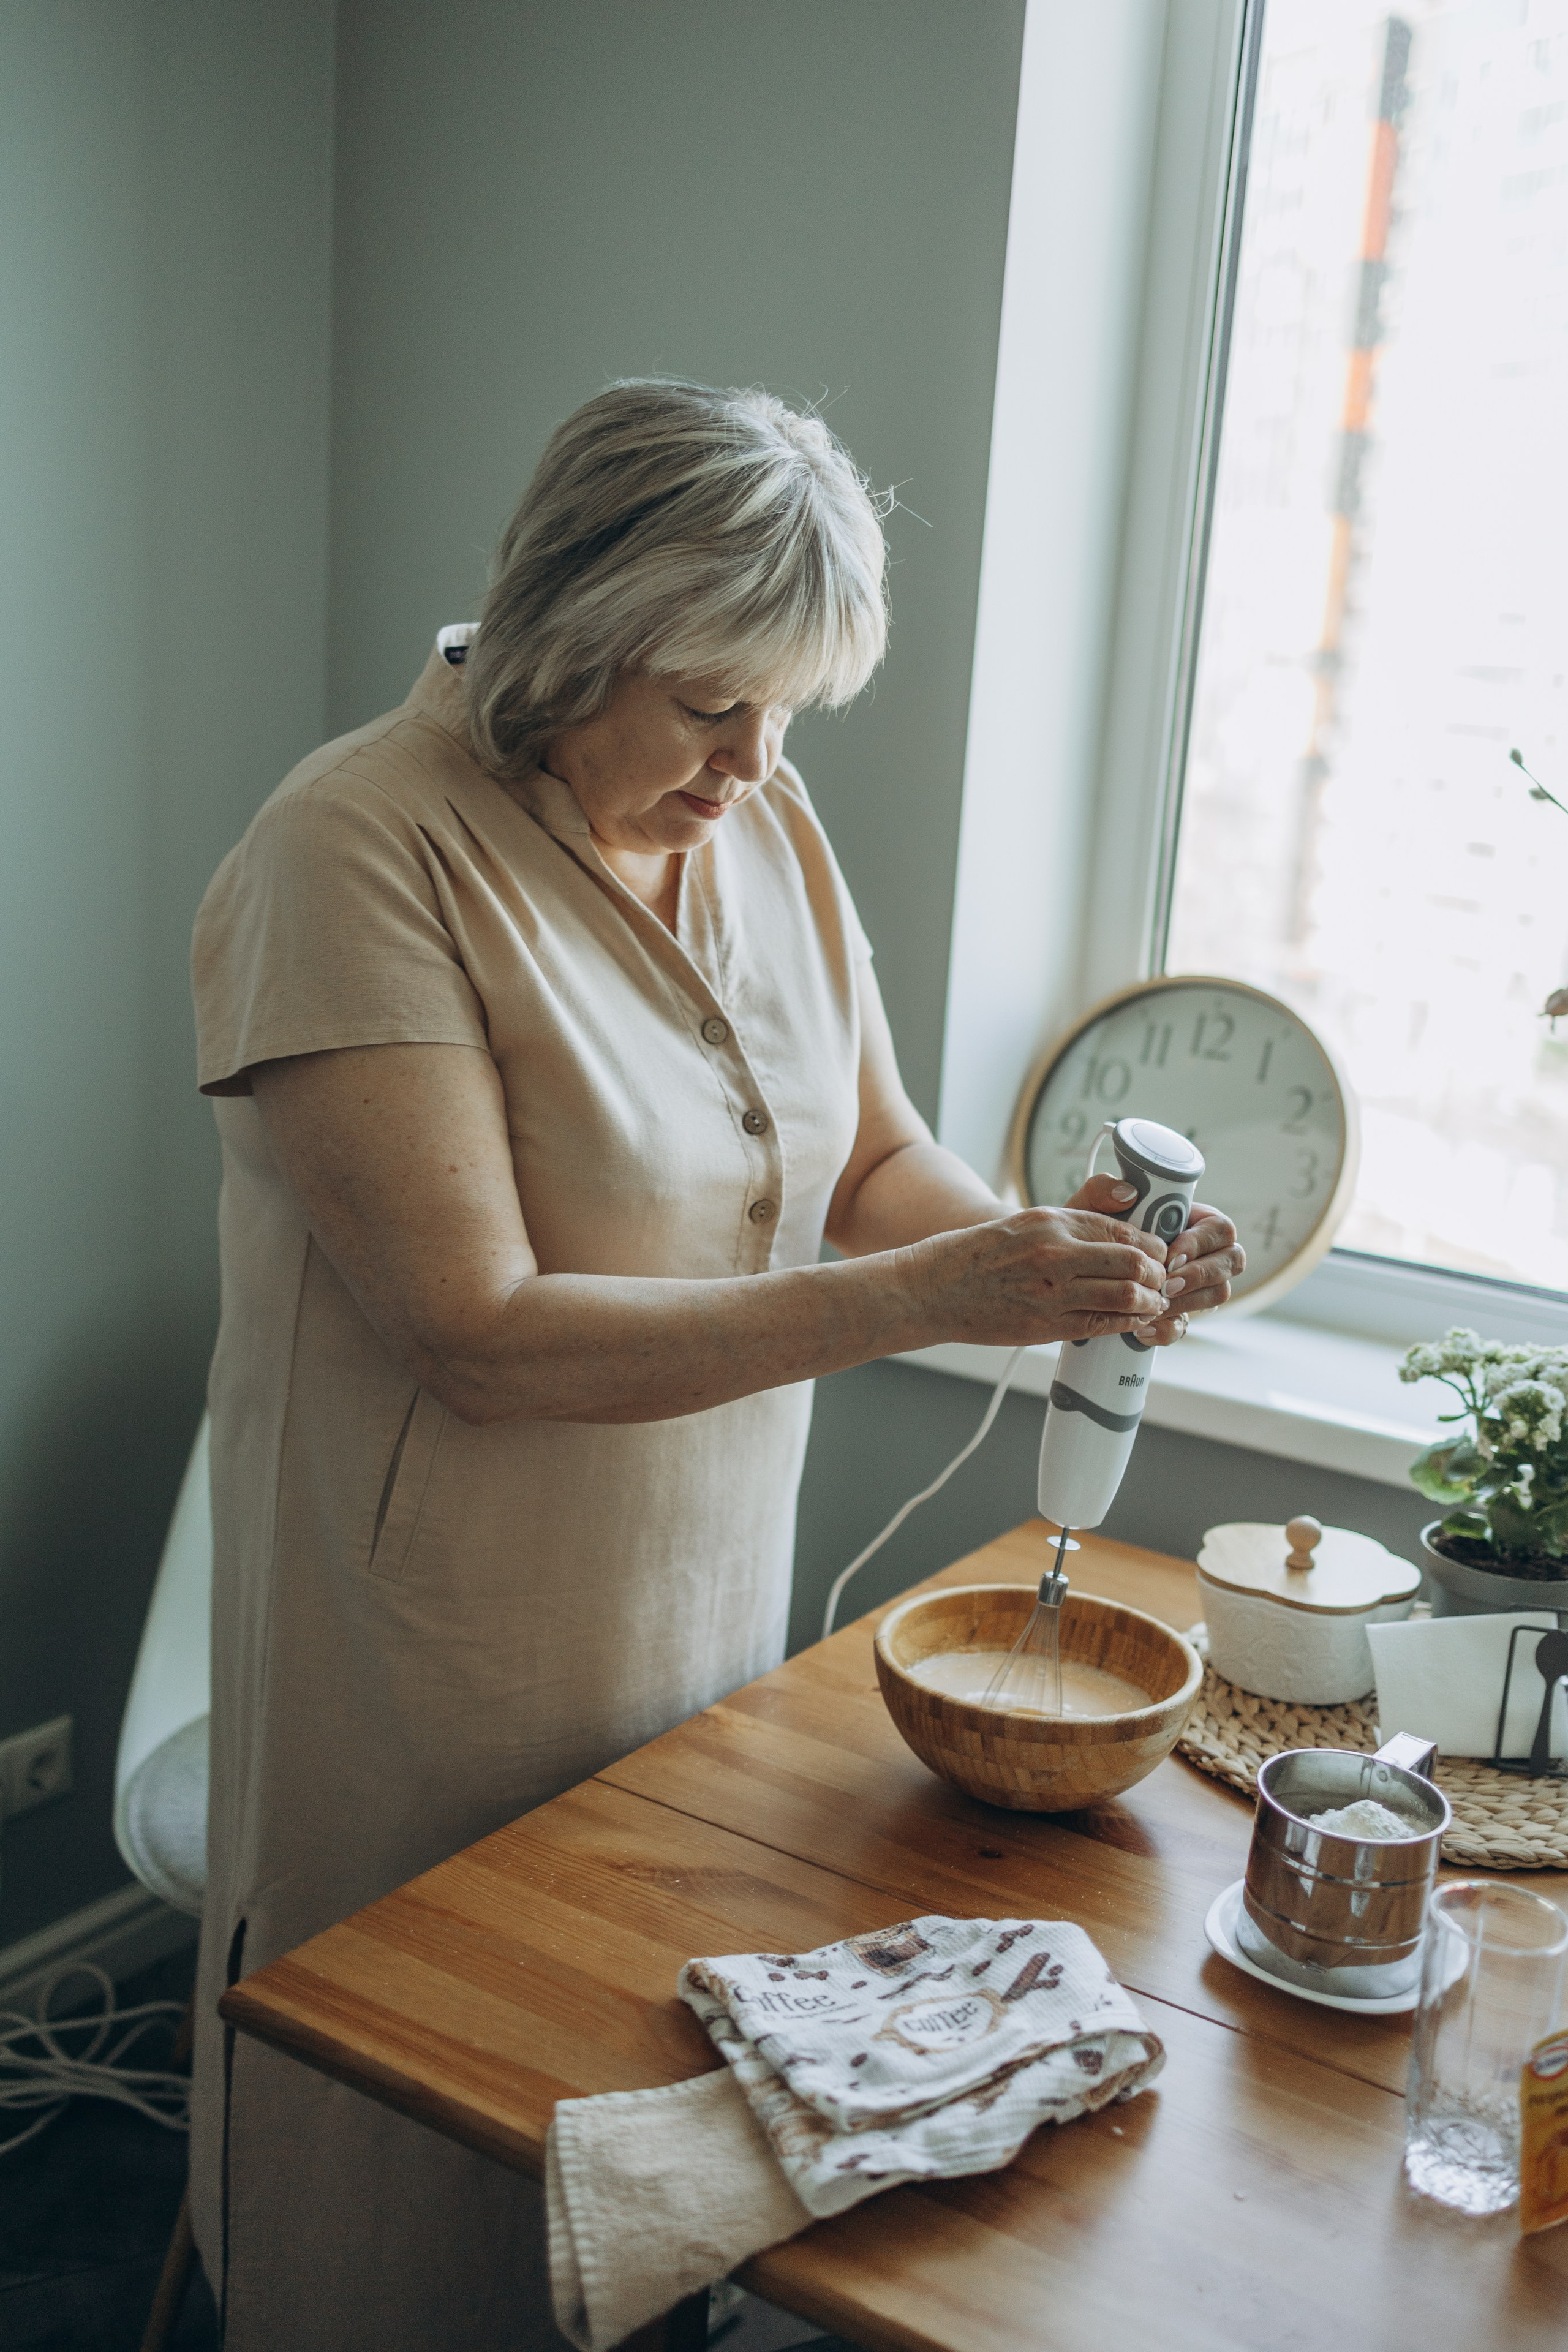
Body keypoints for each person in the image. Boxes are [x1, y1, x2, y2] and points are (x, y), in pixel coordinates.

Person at [187, 379, 1242, 2349]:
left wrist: (1055, 1251)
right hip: (434, 1648)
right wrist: (941, 1298)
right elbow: (477, 1336)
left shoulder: (752, 816)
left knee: (639, 2107)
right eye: (712, 704)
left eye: (789, 712)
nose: (756, 763)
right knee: (409, 2166)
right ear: (569, 635)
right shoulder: (354, 850)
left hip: (693, 1606)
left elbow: (860, 1161)